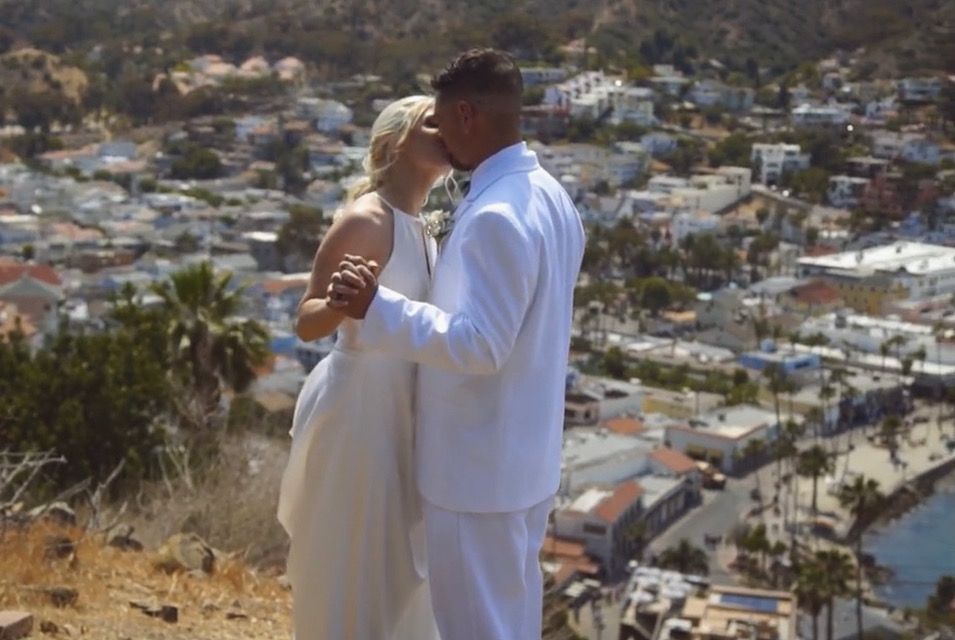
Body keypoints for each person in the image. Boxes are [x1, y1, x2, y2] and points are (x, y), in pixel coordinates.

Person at [329, 48, 586, 640]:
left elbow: (481, 346)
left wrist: (378, 308)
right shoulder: (551, 198)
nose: (441, 137)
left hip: (475, 472)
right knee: (511, 625)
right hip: (524, 465)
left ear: (467, 113)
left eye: (442, 121)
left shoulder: (496, 214)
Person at [276, 95, 448, 640]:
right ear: (393, 143)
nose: (446, 129)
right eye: (432, 122)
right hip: (358, 415)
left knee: (400, 570)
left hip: (403, 417)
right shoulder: (366, 219)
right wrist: (340, 307)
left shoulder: (425, 229)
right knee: (355, 565)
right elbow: (305, 320)